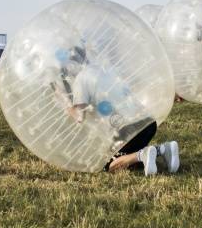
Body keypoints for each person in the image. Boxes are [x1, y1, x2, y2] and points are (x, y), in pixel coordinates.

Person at [53, 43, 180, 176]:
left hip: (128, 129)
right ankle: (164, 149)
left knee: (109, 165)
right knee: (130, 161)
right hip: (148, 122)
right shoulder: (104, 70)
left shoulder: (81, 79)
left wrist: (64, 102)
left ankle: (144, 154)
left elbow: (80, 116)